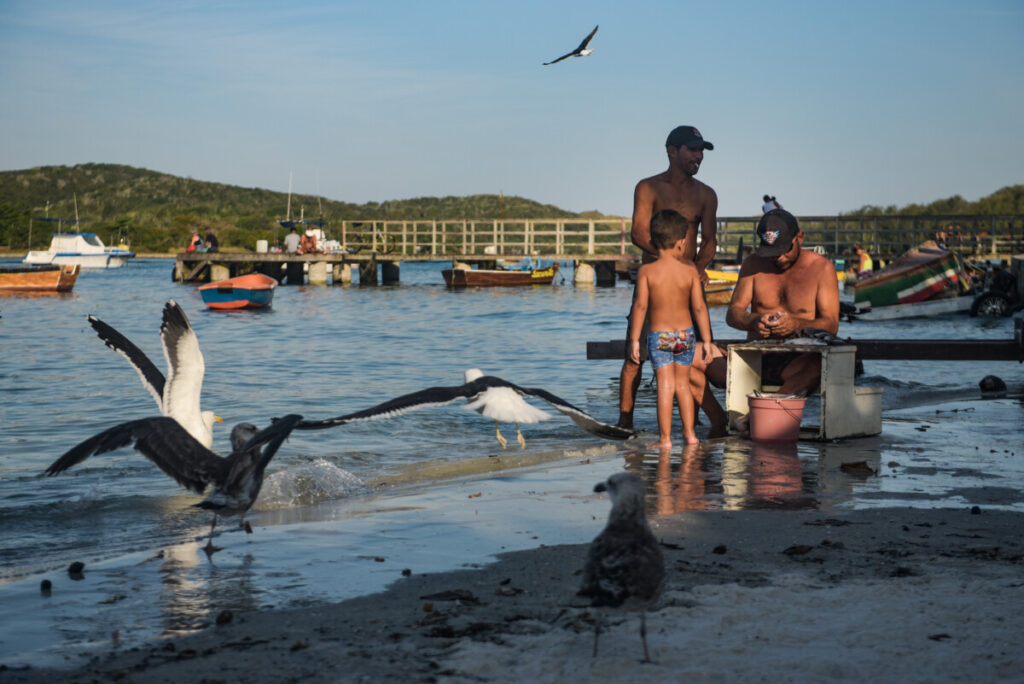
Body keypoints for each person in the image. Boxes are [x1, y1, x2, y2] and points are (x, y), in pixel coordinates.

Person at [618, 125, 724, 435]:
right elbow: (638, 232)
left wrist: (697, 269)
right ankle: (625, 422)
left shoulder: (706, 194)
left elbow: (710, 242)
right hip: (655, 284)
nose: (699, 156)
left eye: (701, 150)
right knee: (634, 355)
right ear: (672, 151)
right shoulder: (647, 187)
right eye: (693, 149)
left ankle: (708, 422)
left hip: (689, 284)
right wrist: (666, 260)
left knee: (697, 356)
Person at [724, 208, 840, 397]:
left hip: (801, 360)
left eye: (784, 250)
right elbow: (733, 313)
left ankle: (763, 410)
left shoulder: (822, 268)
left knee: (821, 364)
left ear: (799, 238)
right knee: (694, 357)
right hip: (757, 360)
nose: (778, 257)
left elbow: (831, 325)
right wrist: (753, 321)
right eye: (771, 252)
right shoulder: (753, 264)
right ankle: (718, 422)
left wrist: (797, 325)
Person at [628, 210, 713, 449]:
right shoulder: (690, 271)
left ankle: (665, 439)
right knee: (683, 385)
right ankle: (690, 435)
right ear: (682, 242)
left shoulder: (647, 272)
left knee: (665, 386)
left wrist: (635, 340)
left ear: (653, 242)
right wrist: (706, 340)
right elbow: (699, 307)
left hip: (660, 337)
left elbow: (641, 306)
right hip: (686, 335)